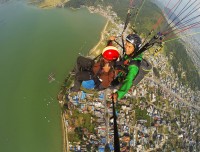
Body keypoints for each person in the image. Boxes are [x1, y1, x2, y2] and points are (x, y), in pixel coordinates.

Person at [109, 34, 144, 102]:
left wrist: (118, 94)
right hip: (123, 68)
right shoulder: (132, 53)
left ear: (135, 49)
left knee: (111, 84)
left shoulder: (134, 66)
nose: (126, 48)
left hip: (122, 78)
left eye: (129, 46)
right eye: (126, 44)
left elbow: (129, 80)